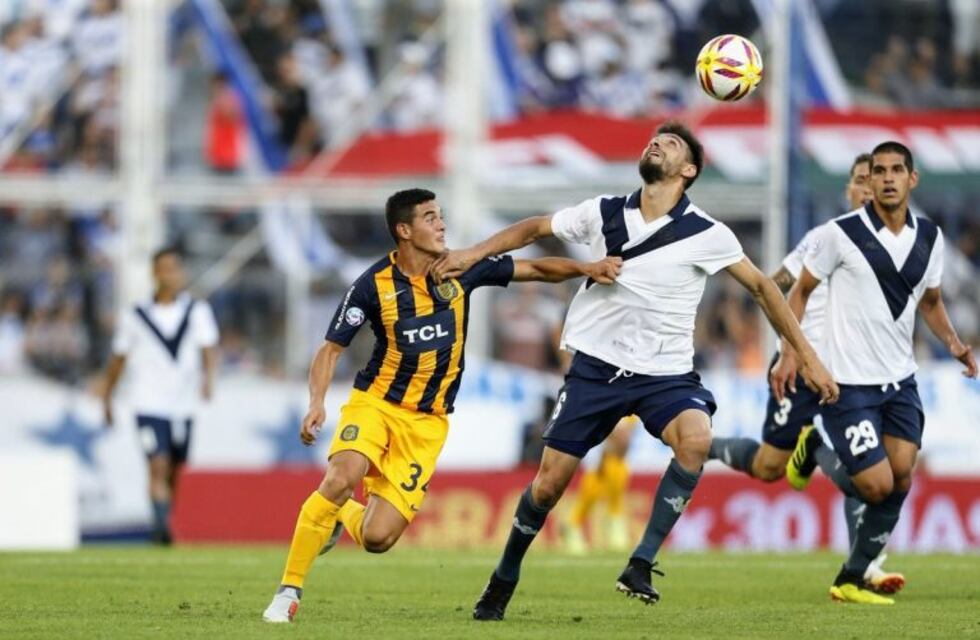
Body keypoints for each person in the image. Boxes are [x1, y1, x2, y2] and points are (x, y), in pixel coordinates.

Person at [431, 121, 838, 619]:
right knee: (548, 486)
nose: (655, 144)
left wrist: (806, 354)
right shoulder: (603, 212)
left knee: (695, 439)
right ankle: (504, 576)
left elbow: (763, 287)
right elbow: (536, 228)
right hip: (596, 370)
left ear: (688, 170)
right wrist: (472, 253)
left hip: (664, 374)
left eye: (668, 144)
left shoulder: (708, 233)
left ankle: (641, 562)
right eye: (654, 140)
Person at [261, 188, 622, 623]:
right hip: (375, 404)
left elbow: (537, 268)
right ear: (404, 230)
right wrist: (316, 402)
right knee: (341, 476)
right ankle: (288, 592)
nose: (442, 224)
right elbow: (330, 350)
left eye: (440, 216)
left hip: (428, 424)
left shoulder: (460, 271)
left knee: (377, 538)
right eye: (431, 218)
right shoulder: (371, 285)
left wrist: (586, 267)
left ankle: (341, 515)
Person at [772, 141, 977, 605]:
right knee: (876, 483)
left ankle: (851, 577)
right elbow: (799, 293)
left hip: (899, 381)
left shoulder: (930, 237)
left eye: (896, 170)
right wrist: (791, 354)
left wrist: (954, 344)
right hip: (848, 383)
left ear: (912, 179)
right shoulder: (838, 233)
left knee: (902, 476)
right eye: (878, 170)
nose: (886, 178)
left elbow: (930, 302)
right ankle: (819, 445)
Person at [705, 153, 903, 592]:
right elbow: (775, 282)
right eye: (859, 180)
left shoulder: (896, 247)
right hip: (800, 368)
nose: (868, 188)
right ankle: (708, 445)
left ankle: (866, 566)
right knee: (769, 467)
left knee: (869, 469)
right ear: (849, 190)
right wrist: (783, 344)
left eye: (875, 181)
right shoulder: (824, 237)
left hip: (853, 377)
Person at [101, 248, 219, 544]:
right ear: (155, 274)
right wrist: (107, 396)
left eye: (175, 269)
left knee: (176, 468)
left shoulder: (197, 311)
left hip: (183, 405)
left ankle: (165, 516)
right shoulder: (135, 315)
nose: (170, 275)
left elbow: (208, 347)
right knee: (158, 463)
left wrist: (208, 379)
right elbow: (119, 358)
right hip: (148, 403)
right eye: (164, 269)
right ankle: (159, 527)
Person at [561, 415, 639, 554]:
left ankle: (612, 520)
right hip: (596, 433)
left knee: (617, 470)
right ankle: (575, 524)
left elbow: (625, 438)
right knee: (593, 487)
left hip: (613, 452)